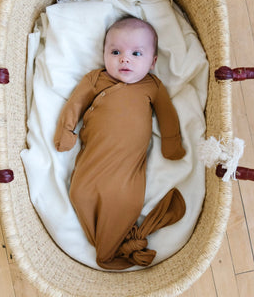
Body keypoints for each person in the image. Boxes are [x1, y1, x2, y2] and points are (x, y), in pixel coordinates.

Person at [54, 16, 186, 270]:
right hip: (94, 158)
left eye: (136, 53)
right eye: (115, 52)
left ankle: (110, 247)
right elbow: (75, 104)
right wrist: (66, 131)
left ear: (153, 62)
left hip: (128, 167)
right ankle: (109, 245)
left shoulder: (153, 86)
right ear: (104, 54)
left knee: (126, 202)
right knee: (79, 193)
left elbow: (168, 116)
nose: (125, 59)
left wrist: (171, 144)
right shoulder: (96, 79)